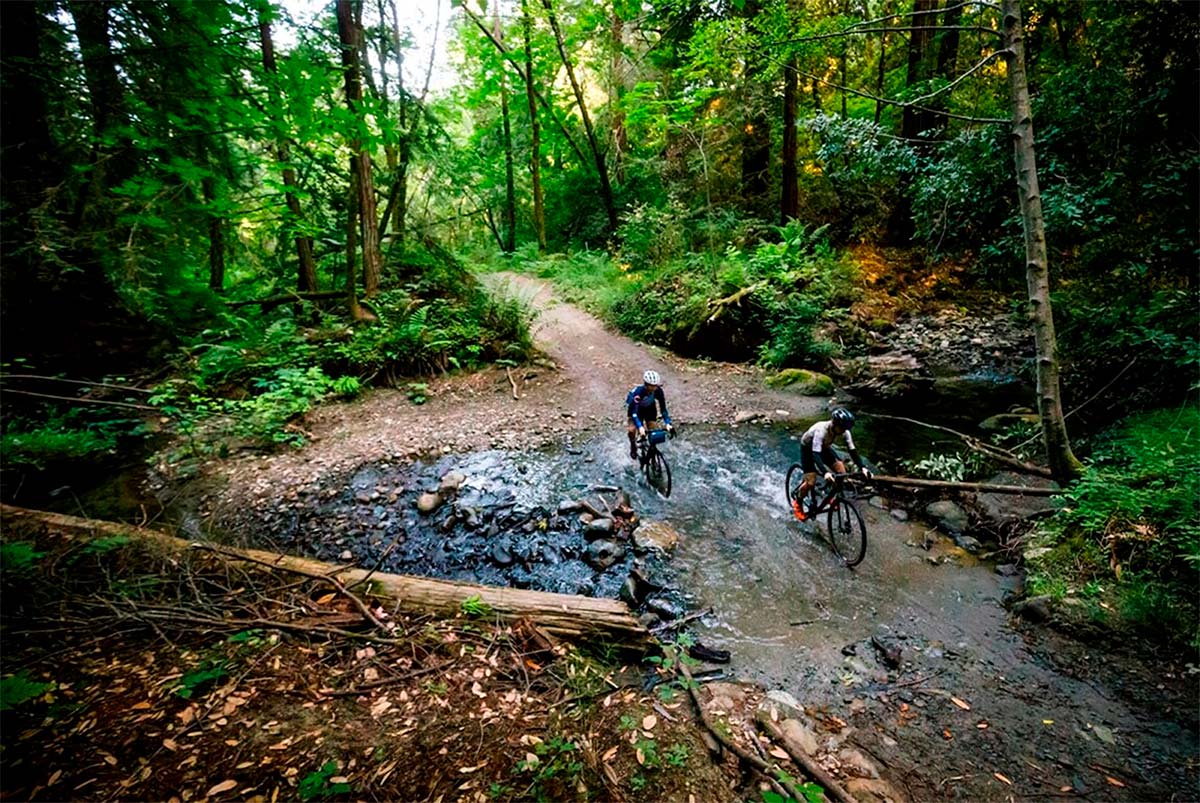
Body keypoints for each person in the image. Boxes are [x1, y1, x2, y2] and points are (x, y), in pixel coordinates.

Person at [792, 407, 871, 520]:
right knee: (810, 482)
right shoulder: (821, 430)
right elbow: (816, 454)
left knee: (842, 472)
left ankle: (829, 495)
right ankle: (798, 502)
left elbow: (852, 451)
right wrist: (825, 473)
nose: (844, 431)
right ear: (835, 424)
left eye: (846, 428)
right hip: (809, 449)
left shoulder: (845, 431)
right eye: (842, 428)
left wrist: (862, 467)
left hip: (824, 447)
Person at [626, 370, 673, 460]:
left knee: (653, 430)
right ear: (646, 385)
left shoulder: (658, 391)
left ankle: (652, 450)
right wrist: (640, 426)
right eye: (652, 386)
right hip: (636, 410)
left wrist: (667, 422)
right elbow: (634, 412)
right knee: (632, 430)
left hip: (650, 409)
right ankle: (633, 446)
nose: (654, 388)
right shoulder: (639, 393)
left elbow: (663, 409)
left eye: (655, 386)